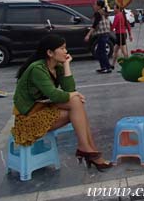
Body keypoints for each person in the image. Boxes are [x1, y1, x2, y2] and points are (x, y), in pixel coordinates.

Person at [11, 35, 112, 170]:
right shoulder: (37, 69)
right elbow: (55, 95)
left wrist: (66, 65)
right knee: (76, 105)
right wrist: (73, 94)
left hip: (42, 107)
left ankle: (88, 148)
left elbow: (69, 89)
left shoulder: (56, 66)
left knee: (76, 103)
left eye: (65, 48)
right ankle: (88, 150)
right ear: (50, 53)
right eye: (62, 48)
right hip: (28, 118)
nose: (66, 51)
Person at [84, 0, 112, 73]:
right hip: (106, 34)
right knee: (99, 51)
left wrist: (88, 35)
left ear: (99, 6)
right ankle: (104, 67)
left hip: (102, 34)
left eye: (95, 5)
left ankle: (107, 68)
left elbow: (94, 25)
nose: (94, 6)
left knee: (101, 51)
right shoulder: (104, 12)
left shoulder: (98, 13)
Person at [111, 4, 132, 69]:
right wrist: (130, 35)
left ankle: (128, 64)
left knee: (124, 51)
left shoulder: (118, 16)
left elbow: (113, 25)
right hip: (122, 34)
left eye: (114, 8)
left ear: (118, 9)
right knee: (115, 50)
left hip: (120, 34)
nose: (113, 10)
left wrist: (110, 29)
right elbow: (128, 26)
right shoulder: (123, 15)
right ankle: (112, 65)